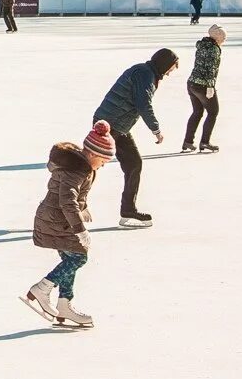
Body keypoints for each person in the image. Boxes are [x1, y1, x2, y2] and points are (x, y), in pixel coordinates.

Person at [22, 120, 116, 328]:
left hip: (55, 220)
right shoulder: (77, 171)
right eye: (103, 160)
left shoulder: (81, 168)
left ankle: (64, 304)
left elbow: (74, 196)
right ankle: (42, 288)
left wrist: (84, 208)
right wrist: (80, 230)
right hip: (56, 222)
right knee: (79, 257)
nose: (104, 164)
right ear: (92, 154)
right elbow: (67, 201)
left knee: (70, 258)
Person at [92, 48, 177, 227]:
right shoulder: (144, 74)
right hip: (110, 125)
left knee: (133, 164)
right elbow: (143, 103)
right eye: (171, 68)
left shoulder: (145, 71)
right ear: (164, 64)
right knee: (90, 166)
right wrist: (156, 129)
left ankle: (128, 211)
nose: (170, 73)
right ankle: (66, 204)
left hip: (117, 125)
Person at [183, 25, 226, 153]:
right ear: (218, 37)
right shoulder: (213, 49)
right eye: (223, 37)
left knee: (197, 112)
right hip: (202, 85)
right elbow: (210, 68)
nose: (224, 39)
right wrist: (210, 86)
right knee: (213, 112)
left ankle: (188, 141)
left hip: (192, 83)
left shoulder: (202, 45)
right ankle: (205, 142)